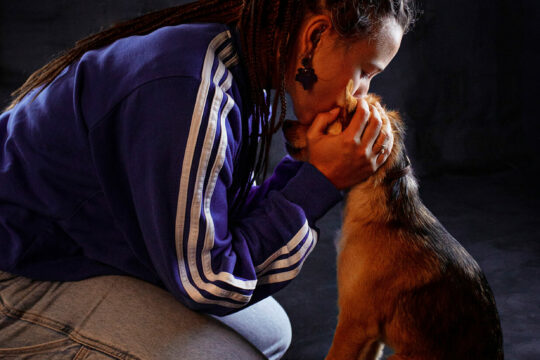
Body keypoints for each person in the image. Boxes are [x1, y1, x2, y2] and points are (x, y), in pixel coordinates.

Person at [0, 0, 416, 359]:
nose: (363, 93)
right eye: (365, 70)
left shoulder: (238, 62)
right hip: (16, 268)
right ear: (316, 36)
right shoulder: (192, 89)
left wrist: (312, 169)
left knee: (271, 330)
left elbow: (220, 220)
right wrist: (320, 181)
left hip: (88, 242)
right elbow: (209, 282)